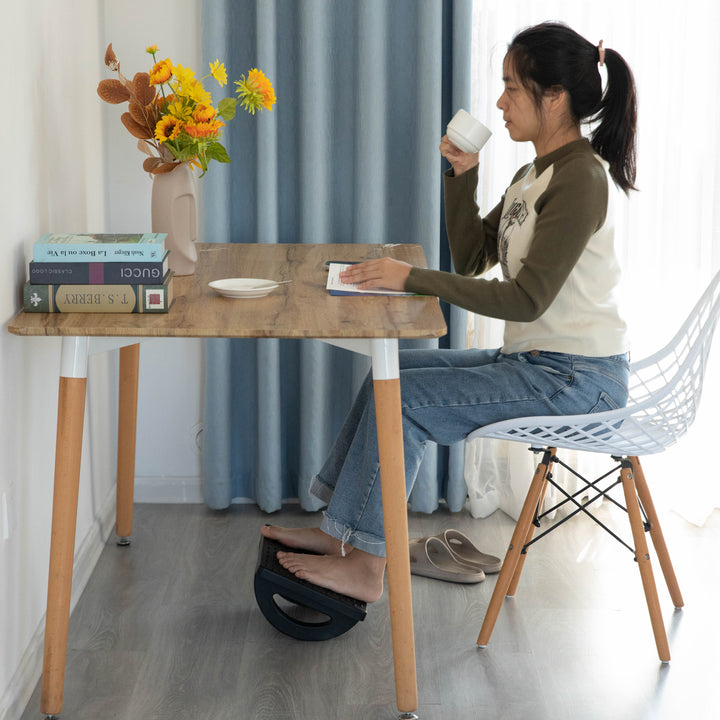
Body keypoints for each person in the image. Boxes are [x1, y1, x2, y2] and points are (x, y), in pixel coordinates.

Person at [262, 22, 638, 603]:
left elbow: (525, 299)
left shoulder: (581, 179)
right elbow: (473, 260)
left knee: (406, 401)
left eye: (513, 87)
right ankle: (344, 533)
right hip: (540, 362)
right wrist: (461, 177)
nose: (500, 101)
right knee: (395, 375)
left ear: (555, 96)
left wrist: (410, 278)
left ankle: (365, 564)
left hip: (577, 379)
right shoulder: (532, 174)